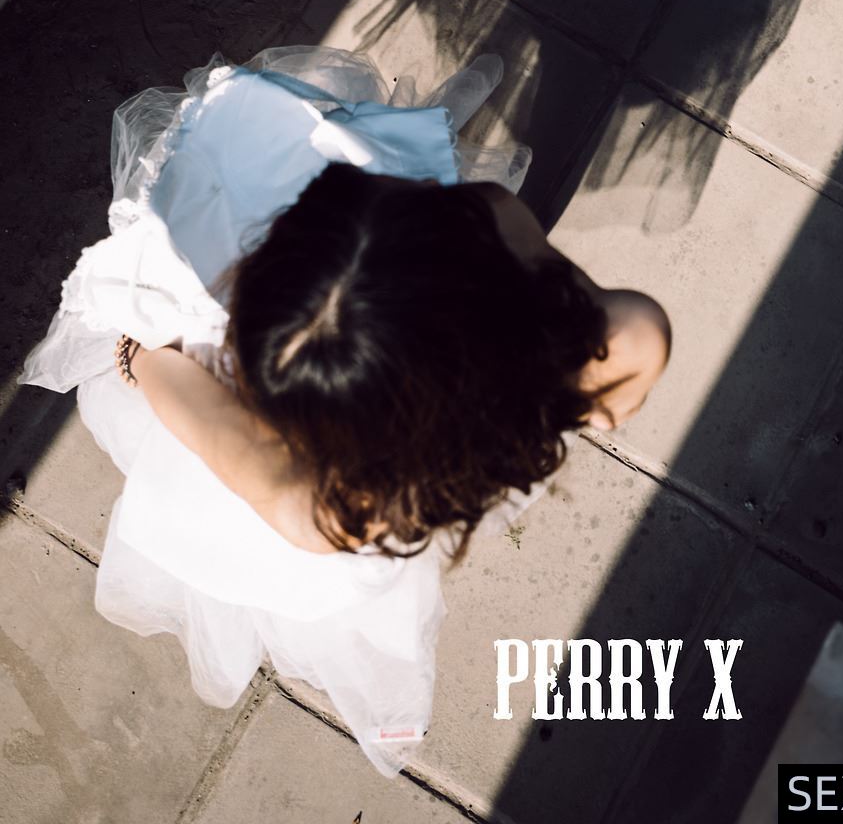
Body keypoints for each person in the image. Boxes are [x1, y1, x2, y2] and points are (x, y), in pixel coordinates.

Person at [22, 45, 670, 776]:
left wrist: (140, 342)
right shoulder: (499, 231)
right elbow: (609, 327)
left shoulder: (324, 506)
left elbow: (153, 361)